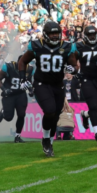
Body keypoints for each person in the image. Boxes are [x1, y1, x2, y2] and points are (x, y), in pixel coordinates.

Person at [18, 21, 78, 157]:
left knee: (56, 115)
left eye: (57, 33)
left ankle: (50, 143)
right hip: (41, 83)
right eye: (52, 34)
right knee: (49, 111)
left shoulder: (67, 47)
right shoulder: (36, 45)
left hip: (58, 84)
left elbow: (74, 65)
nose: (55, 36)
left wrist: (72, 69)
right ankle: (45, 139)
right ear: (45, 34)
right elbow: (22, 61)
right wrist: (23, 79)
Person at [75, 25, 97, 145]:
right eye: (89, 35)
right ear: (85, 36)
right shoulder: (79, 46)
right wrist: (76, 71)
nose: (92, 37)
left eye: (93, 35)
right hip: (86, 79)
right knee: (94, 106)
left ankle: (85, 114)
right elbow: (71, 59)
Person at [0, 59, 32, 143]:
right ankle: (3, 111)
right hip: (9, 95)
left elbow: (29, 81)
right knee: (8, 118)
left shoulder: (29, 69)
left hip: (21, 94)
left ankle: (17, 136)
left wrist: (31, 90)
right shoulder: (8, 67)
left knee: (22, 114)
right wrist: (4, 89)